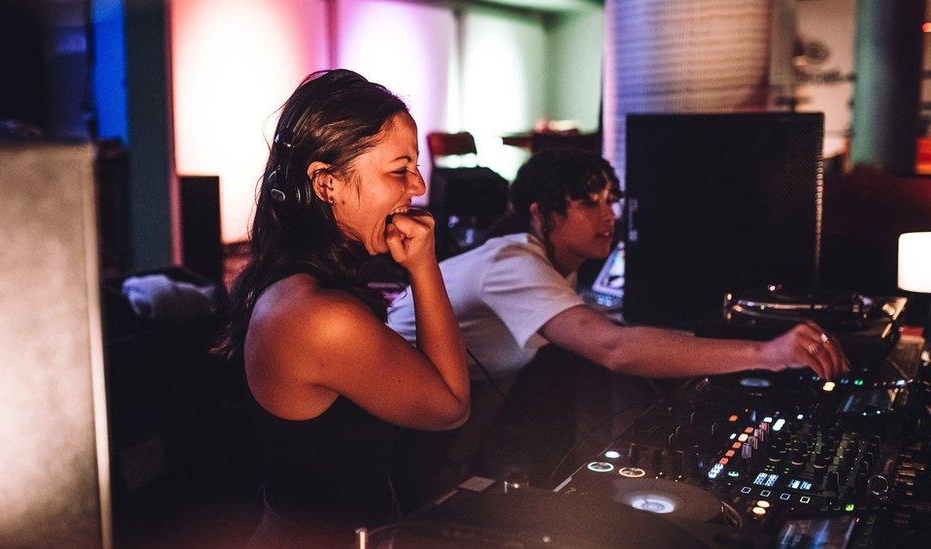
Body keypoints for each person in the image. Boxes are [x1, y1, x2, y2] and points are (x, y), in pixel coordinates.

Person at [387, 148, 848, 504]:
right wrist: (767, 354)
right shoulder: (512, 262)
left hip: (427, 422)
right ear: (540, 213)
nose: (609, 216)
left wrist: (455, 468)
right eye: (589, 203)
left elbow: (494, 372)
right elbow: (615, 349)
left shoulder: (553, 264)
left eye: (611, 200)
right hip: (381, 411)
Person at [216, 69, 469, 547]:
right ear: (327, 183)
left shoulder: (294, 283)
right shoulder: (321, 317)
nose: (416, 185)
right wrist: (424, 268)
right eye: (399, 169)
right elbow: (450, 406)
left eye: (415, 167)